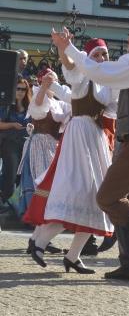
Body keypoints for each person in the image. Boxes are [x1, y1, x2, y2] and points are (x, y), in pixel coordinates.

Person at [51, 17, 129, 282]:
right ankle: (128, 266)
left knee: (107, 198)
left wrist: (71, 48)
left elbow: (99, 72)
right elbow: (100, 82)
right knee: (123, 202)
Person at [24, 37, 116, 274]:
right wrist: (63, 47)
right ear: (87, 58)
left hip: (96, 138)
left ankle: (73, 256)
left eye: (104, 55)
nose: (101, 59)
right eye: (97, 55)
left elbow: (115, 108)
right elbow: (71, 68)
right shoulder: (81, 78)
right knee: (75, 190)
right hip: (78, 135)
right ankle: (40, 241)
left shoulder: (108, 84)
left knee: (96, 196)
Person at [19, 69, 70, 255]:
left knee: (51, 194)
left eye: (53, 81)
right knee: (44, 192)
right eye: (47, 81)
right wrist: (44, 87)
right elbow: (38, 105)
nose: (51, 85)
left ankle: (37, 239)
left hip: (55, 147)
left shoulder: (61, 103)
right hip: (40, 146)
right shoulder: (38, 99)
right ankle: (38, 239)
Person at [0, 78, 32, 211]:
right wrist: (12, 124)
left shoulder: (30, 106)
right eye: (18, 88)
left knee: (20, 174)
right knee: (11, 171)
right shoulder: (7, 105)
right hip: (10, 143)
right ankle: (4, 199)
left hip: (25, 144)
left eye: (23, 89)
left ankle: (13, 201)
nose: (20, 92)